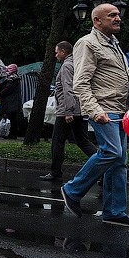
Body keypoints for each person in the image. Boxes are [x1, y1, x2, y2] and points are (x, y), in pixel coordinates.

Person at [61, 4, 129, 228]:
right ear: (97, 21)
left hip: (120, 109)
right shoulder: (87, 43)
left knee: (120, 161)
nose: (118, 18)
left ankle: (114, 211)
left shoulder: (114, 43)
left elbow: (107, 71)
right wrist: (94, 111)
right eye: (112, 15)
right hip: (103, 108)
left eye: (118, 14)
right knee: (111, 151)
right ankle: (72, 189)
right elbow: (80, 83)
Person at [42, 41, 98, 181]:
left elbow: (68, 89)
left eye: (56, 52)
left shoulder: (67, 66)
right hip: (80, 109)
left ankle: (55, 173)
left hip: (67, 111)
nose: (55, 55)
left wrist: (68, 111)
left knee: (57, 141)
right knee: (83, 141)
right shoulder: (78, 63)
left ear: (63, 52)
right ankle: (103, 167)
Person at [0, 64, 23, 138]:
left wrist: (0, 94)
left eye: (8, 69)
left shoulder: (13, 79)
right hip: (12, 102)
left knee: (12, 118)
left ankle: (13, 134)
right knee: (12, 118)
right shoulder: (13, 78)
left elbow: (8, 89)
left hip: (11, 102)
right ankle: (12, 133)